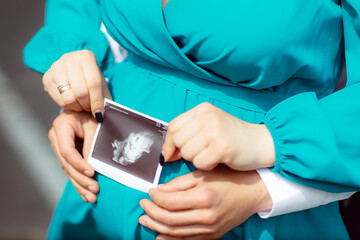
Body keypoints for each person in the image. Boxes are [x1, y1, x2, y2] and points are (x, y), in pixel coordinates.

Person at [23, 0, 360, 239]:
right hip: (93, 212)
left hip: (254, 226)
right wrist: (81, 93)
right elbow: (81, 12)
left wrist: (265, 178)